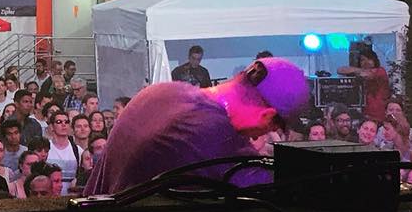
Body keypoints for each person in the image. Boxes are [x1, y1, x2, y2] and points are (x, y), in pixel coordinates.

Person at [85, 58, 312, 195]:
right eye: (273, 128)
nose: (260, 137)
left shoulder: (160, 92)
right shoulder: (213, 132)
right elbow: (275, 187)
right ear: (267, 116)